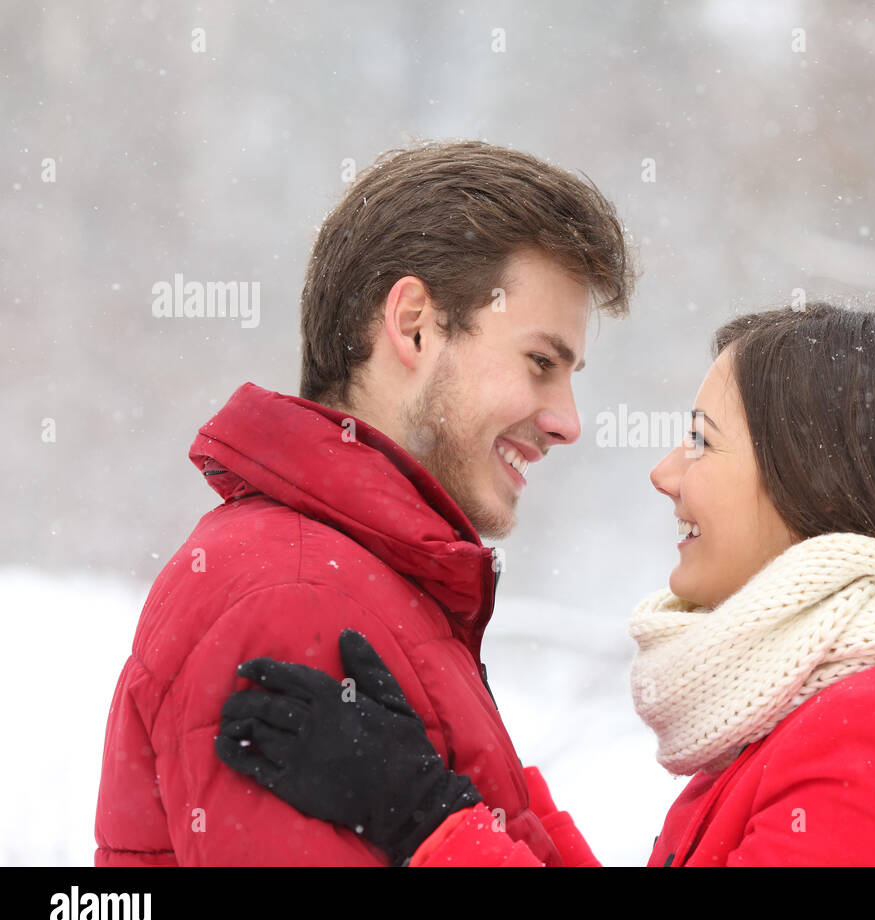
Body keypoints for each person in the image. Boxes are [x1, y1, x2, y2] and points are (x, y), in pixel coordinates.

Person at [217, 303, 875, 866]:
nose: (666, 474)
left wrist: (425, 818)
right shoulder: (816, 709)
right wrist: (466, 782)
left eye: (702, 441)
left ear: (813, 481)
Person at [93, 140, 634, 865]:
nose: (568, 420)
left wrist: (433, 814)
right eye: (540, 363)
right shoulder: (297, 597)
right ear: (413, 323)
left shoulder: (379, 584)